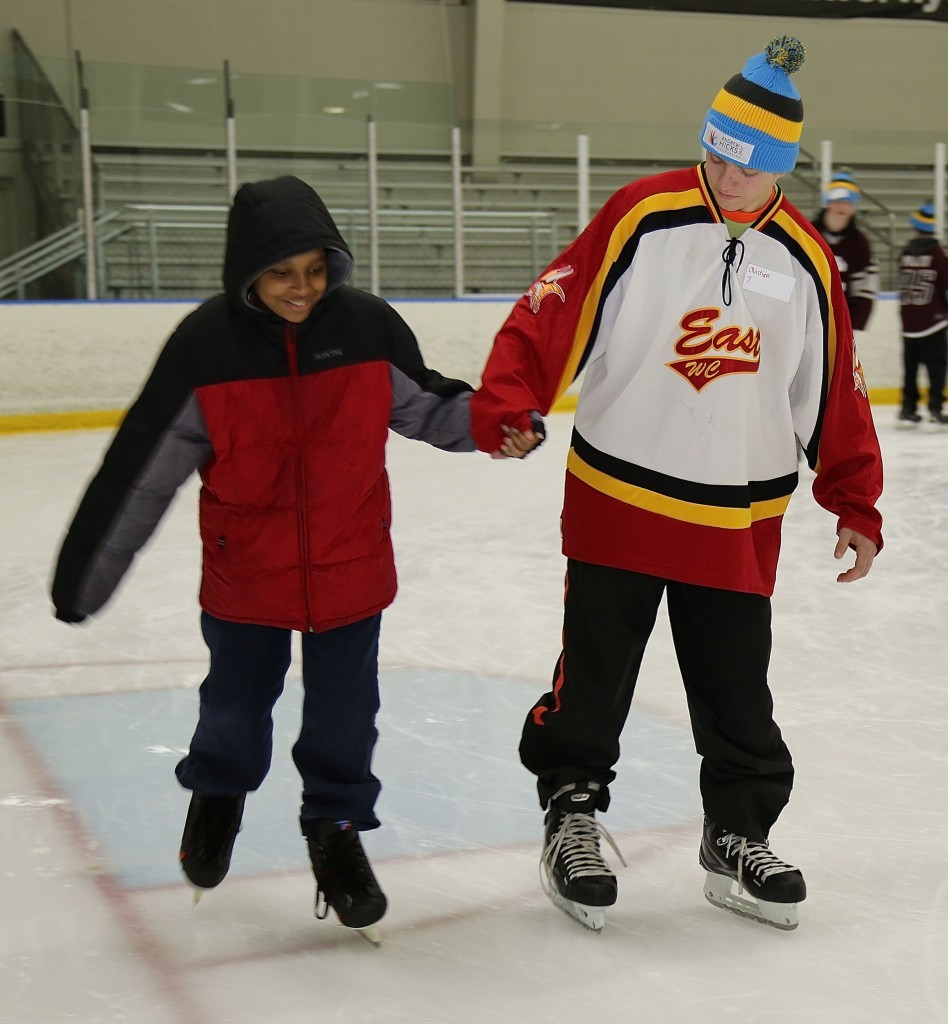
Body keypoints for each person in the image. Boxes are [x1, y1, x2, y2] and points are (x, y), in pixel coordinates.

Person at [470, 36, 883, 933]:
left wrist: (854, 498)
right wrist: (511, 398)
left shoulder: (806, 262)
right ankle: (572, 810)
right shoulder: (642, 215)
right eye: (716, 153)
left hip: (738, 512)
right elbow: (555, 305)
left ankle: (736, 832)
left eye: (748, 165)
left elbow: (835, 386)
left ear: (780, 168)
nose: (726, 176)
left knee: (737, 688)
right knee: (595, 675)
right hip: (619, 495)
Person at [50, 175, 487, 942]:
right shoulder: (206, 346)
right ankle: (218, 793)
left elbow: (427, 403)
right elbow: (141, 471)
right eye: (283, 272)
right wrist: (85, 579)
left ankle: (337, 830)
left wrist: (498, 422)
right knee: (233, 705)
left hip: (350, 567)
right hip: (245, 572)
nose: (303, 288)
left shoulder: (367, 326)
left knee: (347, 719)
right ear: (248, 270)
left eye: (317, 270)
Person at [897, 201, 948, 426]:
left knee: (910, 368)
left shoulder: (906, 253)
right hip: (934, 322)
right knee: (936, 368)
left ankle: (908, 407)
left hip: (909, 322)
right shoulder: (938, 254)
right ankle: (936, 407)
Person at [812, 170, 878, 332]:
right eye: (837, 201)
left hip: (841, 327)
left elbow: (866, 290)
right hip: (806, 322)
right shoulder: (807, 233)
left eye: (848, 202)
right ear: (827, 202)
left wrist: (852, 330)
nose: (842, 207)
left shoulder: (860, 243)